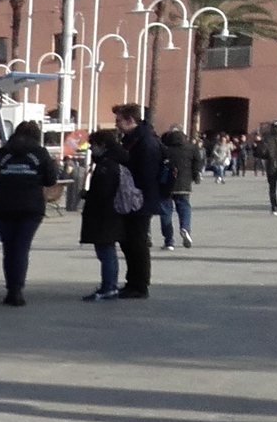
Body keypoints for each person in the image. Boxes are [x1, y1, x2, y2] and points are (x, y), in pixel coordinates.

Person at [0, 120, 59, 307]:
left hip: (3, 206)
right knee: (22, 248)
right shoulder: (40, 154)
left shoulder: (3, 153)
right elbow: (50, 180)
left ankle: (11, 289)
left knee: (9, 248)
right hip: (31, 208)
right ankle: (17, 291)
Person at [111, 104, 160, 298]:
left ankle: (140, 285)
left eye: (119, 120)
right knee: (129, 242)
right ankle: (133, 281)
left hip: (139, 199)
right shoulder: (134, 139)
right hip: (132, 197)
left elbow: (146, 173)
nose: (117, 124)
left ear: (131, 120)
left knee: (137, 242)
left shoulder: (145, 141)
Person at [78, 128, 130, 300]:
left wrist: (88, 195)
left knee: (106, 251)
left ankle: (109, 286)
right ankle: (109, 285)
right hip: (110, 213)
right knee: (107, 251)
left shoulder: (107, 165)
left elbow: (103, 192)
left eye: (93, 145)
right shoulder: (113, 161)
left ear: (102, 145)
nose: (91, 149)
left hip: (104, 214)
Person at [158, 126, 202, 250]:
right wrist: (195, 175)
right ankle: (185, 228)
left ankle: (169, 241)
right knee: (184, 208)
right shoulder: (191, 148)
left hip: (166, 185)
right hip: (184, 184)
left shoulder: (165, 149)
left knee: (166, 213)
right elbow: (197, 162)